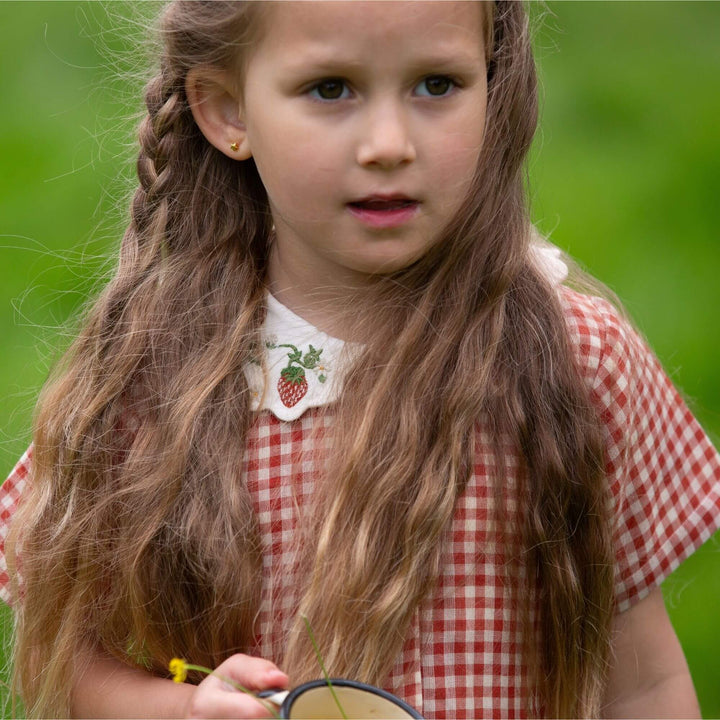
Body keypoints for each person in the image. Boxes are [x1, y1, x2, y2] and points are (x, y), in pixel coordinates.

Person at [1, 1, 718, 718]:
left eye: (436, 84)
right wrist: (187, 710)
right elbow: (64, 665)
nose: (388, 144)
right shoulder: (155, 381)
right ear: (227, 112)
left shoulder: (574, 361)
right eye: (331, 89)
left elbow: (646, 686)